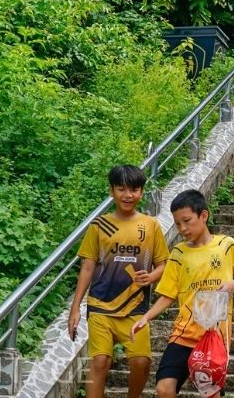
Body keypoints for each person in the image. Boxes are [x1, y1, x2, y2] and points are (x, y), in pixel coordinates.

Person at [130, 190, 234, 398]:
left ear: (204, 215)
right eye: (178, 224)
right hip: (183, 333)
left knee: (210, 394)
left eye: (187, 221)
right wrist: (146, 317)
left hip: (214, 336)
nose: (183, 228)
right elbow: (167, 295)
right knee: (164, 388)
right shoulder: (179, 253)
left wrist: (233, 284)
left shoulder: (226, 245)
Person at [69, 165, 169, 398]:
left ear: (142, 192)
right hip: (100, 306)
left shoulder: (151, 225)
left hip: (136, 308)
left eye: (134, 189)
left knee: (141, 362)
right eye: (121, 189)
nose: (128, 195)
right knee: (100, 361)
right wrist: (75, 307)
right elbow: (87, 267)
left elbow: (164, 264)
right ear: (112, 191)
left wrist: (151, 277)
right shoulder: (99, 225)